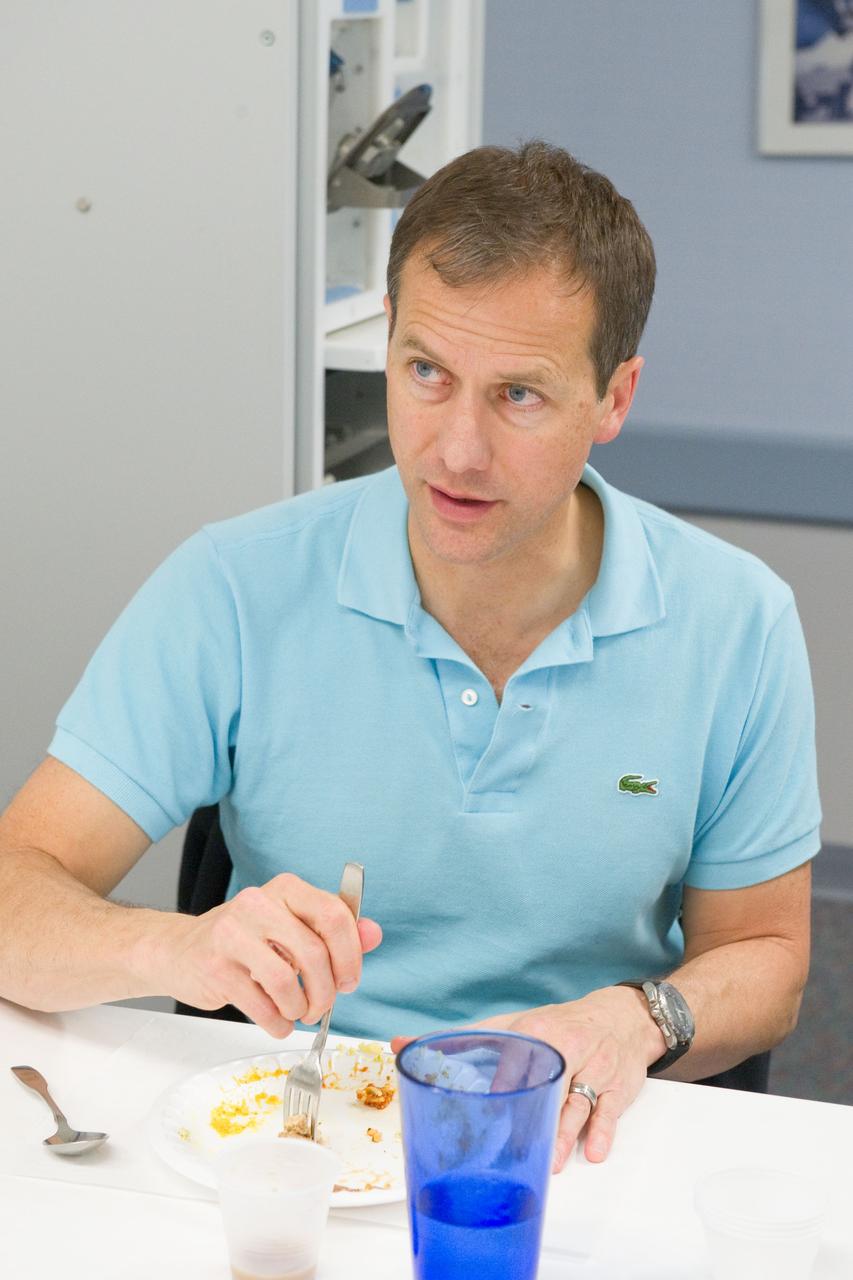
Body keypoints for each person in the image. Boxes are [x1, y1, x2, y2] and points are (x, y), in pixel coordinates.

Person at [0, 142, 819, 1175]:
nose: (455, 449)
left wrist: (637, 1016)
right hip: (293, 1136)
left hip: (583, 1138)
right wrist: (176, 944)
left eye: (518, 395)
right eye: (426, 372)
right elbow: (13, 889)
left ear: (614, 397)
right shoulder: (235, 585)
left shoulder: (734, 620)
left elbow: (768, 959)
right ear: (386, 341)